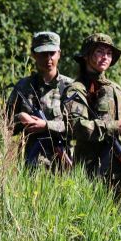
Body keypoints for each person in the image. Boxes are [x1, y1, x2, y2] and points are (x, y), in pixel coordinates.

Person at [62, 33, 121, 198]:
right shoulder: (77, 89)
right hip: (92, 172)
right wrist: (114, 126)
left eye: (109, 53)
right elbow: (75, 127)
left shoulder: (116, 89)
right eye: (100, 51)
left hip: (119, 171)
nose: (105, 57)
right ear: (86, 55)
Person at [6, 31, 73, 170]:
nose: (48, 58)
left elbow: (79, 127)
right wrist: (20, 118)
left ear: (59, 54)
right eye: (43, 53)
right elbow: (5, 124)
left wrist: (46, 125)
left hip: (62, 161)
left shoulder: (70, 88)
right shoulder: (23, 86)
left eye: (52, 53)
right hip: (30, 163)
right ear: (34, 54)